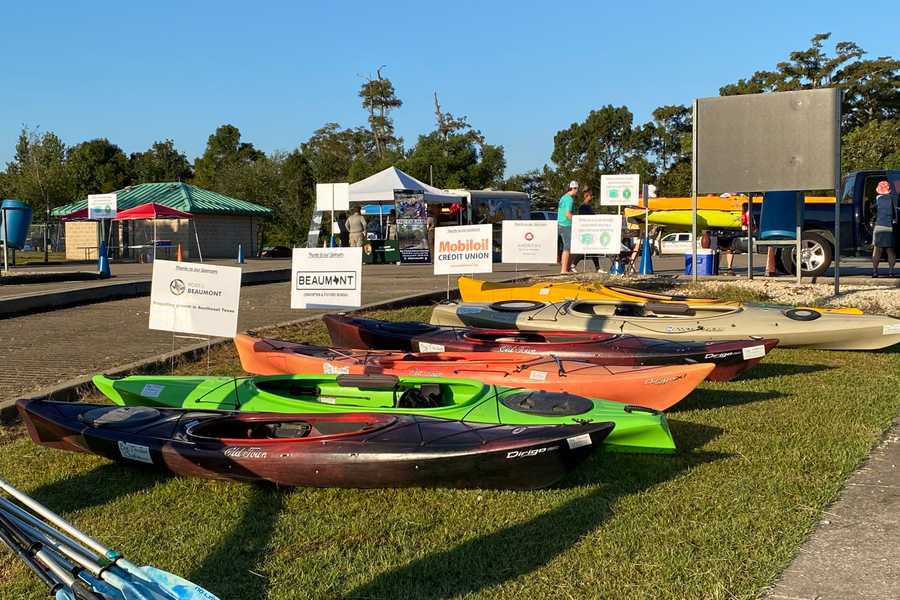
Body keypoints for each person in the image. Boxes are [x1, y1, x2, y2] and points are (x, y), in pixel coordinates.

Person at [872, 180, 897, 278]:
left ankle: (875, 272)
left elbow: (872, 209)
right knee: (890, 250)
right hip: (889, 227)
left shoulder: (877, 199)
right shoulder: (893, 199)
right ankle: (891, 272)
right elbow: (895, 214)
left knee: (877, 250)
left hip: (879, 226)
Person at [576, 188, 601, 272]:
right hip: (586, 230)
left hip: (591, 229)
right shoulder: (583, 207)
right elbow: (583, 219)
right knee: (585, 249)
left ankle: (597, 268)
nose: (592, 197)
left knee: (592, 249)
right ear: (586, 196)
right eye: (591, 196)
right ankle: (573, 264)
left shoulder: (589, 206)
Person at [557, 181, 578, 273]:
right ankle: (564, 270)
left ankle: (567, 268)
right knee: (567, 248)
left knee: (571, 248)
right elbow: (567, 214)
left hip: (560, 224)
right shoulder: (569, 199)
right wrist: (577, 222)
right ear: (573, 188)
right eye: (577, 189)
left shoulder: (563, 197)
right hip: (566, 225)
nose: (577, 191)